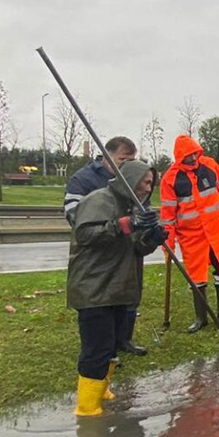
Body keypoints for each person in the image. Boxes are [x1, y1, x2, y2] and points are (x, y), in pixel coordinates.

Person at [67, 159, 168, 417]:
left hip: (119, 289)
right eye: (145, 182)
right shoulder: (99, 200)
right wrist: (127, 224)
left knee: (111, 347)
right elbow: (85, 235)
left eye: (151, 183)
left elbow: (135, 248)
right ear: (131, 179)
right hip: (95, 288)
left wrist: (151, 240)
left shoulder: (134, 208)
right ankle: (87, 408)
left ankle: (102, 390)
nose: (148, 188)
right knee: (96, 349)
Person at [63, 136, 149, 357]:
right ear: (107, 156)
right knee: (101, 309)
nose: (128, 165)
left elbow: (141, 212)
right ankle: (104, 350)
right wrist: (113, 225)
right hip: (100, 253)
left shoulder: (133, 181)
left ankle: (123, 340)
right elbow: (76, 217)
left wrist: (146, 231)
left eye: (132, 160)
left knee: (129, 293)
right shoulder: (84, 179)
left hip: (127, 251)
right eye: (123, 159)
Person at [159, 134, 219, 333]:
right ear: (180, 157)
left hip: (217, 229)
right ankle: (201, 317)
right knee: (196, 276)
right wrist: (167, 244)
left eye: (195, 154)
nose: (194, 159)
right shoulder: (170, 179)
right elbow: (168, 216)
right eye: (189, 156)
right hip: (191, 235)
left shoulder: (210, 165)